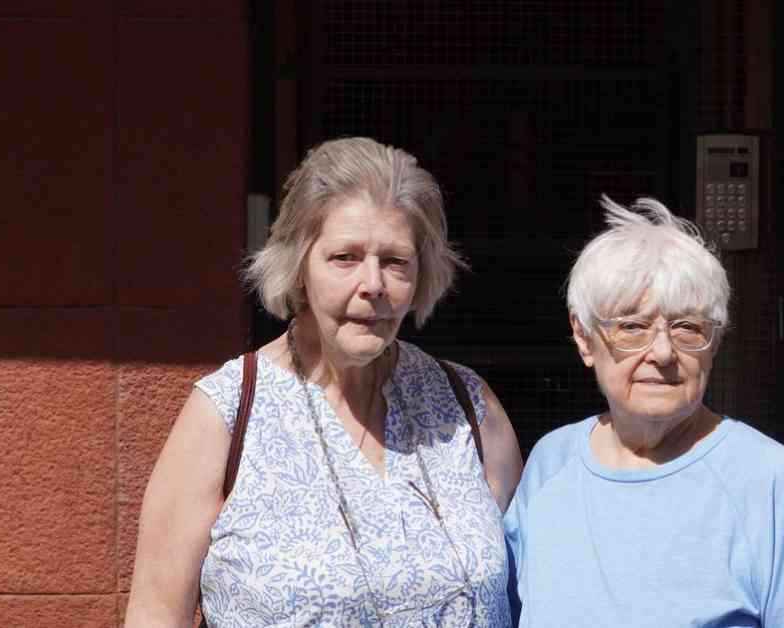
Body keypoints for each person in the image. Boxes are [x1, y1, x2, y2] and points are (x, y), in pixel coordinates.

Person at [125, 137, 523, 627]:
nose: (373, 284)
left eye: (395, 261)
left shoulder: (467, 407)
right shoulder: (227, 412)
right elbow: (156, 613)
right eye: (345, 257)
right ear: (298, 267)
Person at [503, 196, 784, 627]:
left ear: (716, 341)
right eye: (632, 327)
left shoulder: (769, 480)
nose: (663, 353)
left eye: (688, 327)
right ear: (584, 337)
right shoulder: (551, 462)